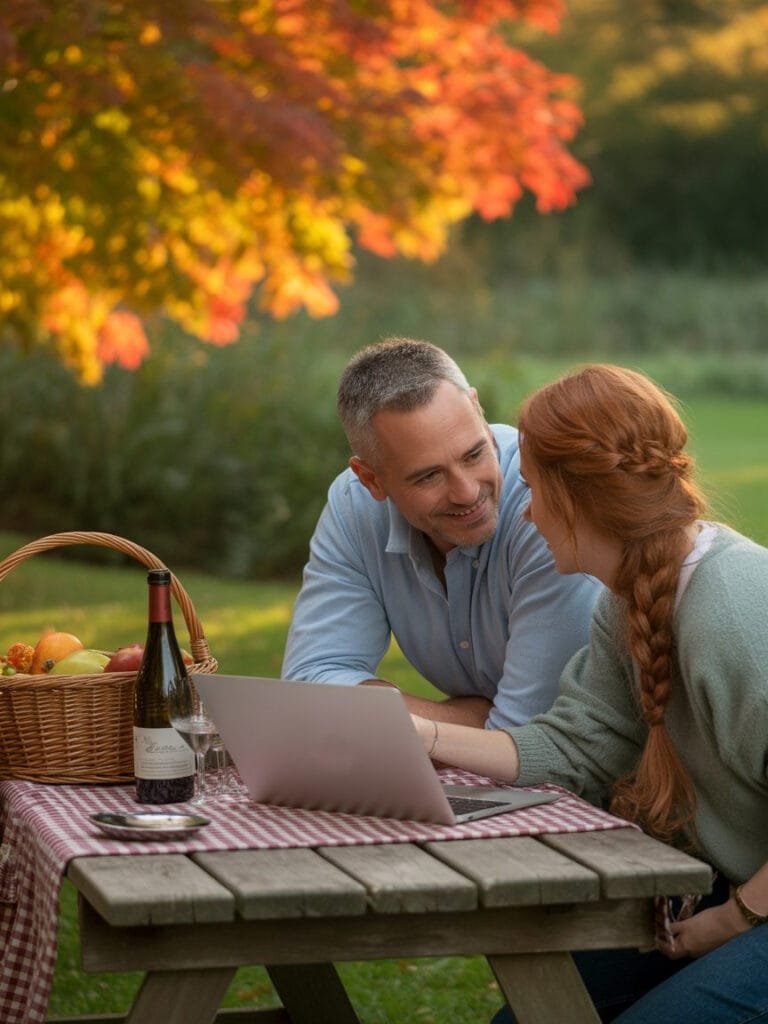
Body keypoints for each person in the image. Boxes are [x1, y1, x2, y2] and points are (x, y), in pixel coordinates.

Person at [410, 363, 768, 1024]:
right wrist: (423, 735)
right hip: (728, 884)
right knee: (533, 1015)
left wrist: (729, 922)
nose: (527, 512)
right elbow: (578, 744)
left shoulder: (734, 614)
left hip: (752, 899)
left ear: (577, 499)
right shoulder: (627, 601)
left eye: (535, 490)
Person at [282, 338, 601, 730]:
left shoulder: (545, 504)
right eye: (429, 476)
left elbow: (530, 736)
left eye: (474, 454)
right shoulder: (355, 506)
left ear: (479, 411)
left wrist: (402, 719)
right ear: (370, 479)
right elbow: (310, 686)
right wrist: (466, 716)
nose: (467, 493)